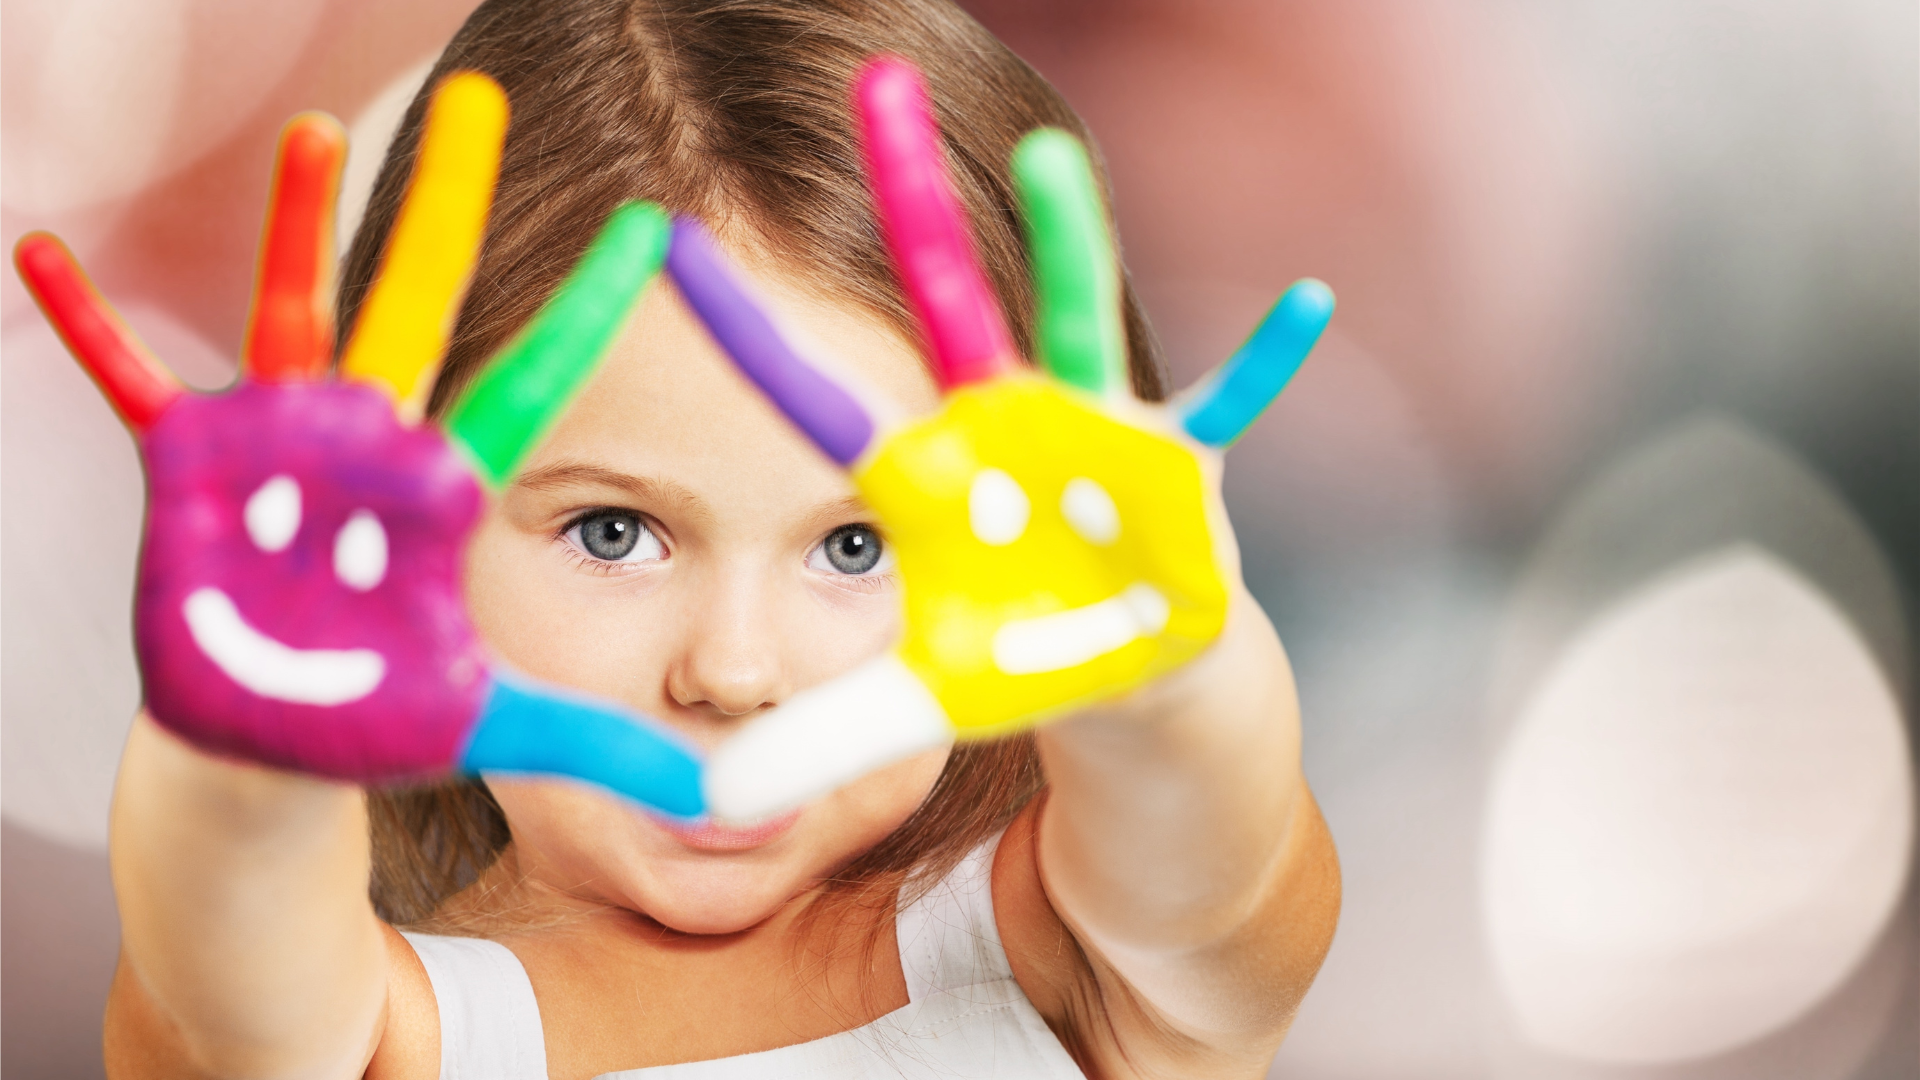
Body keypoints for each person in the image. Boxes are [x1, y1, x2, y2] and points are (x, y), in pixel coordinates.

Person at [87, 1, 1339, 1076]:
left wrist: (1171, 685)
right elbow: (221, 984)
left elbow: (1209, 862)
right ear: (418, 550)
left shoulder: (1076, 958)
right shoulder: (381, 1036)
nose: (733, 673)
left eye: (858, 548)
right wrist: (242, 761)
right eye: (613, 532)